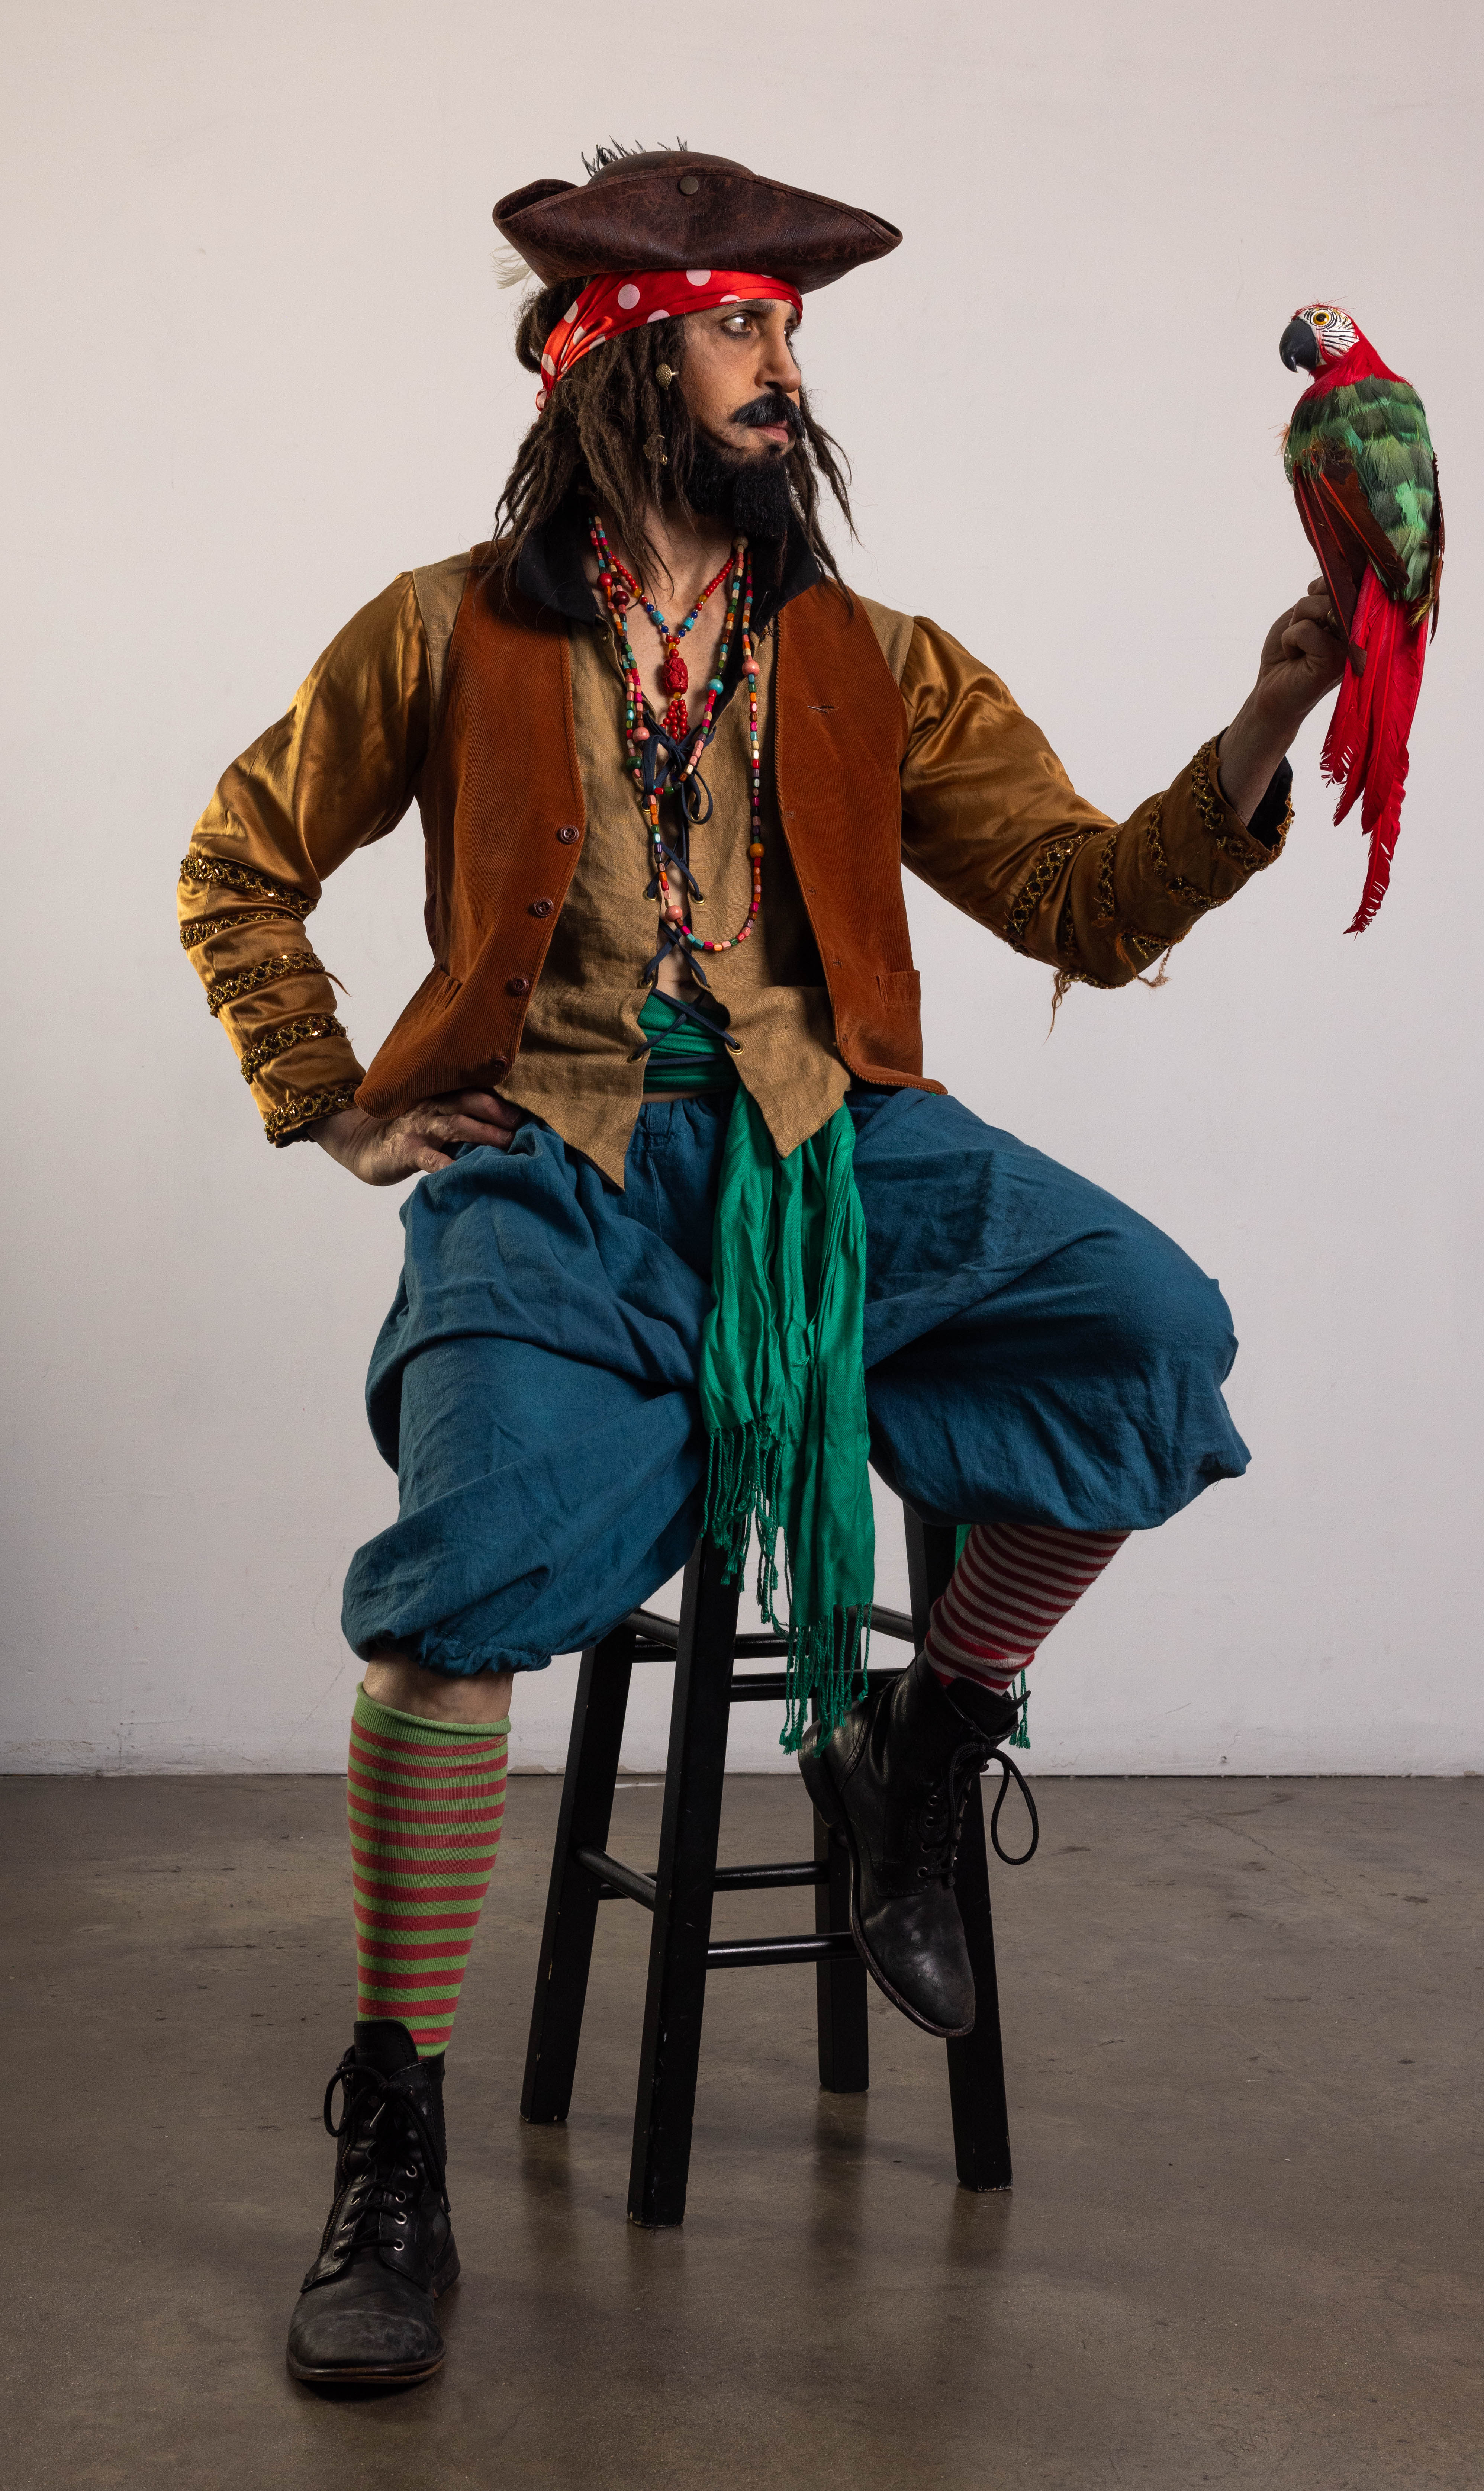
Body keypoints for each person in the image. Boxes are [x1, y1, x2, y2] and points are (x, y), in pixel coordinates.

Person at [180, 144, 1343, 2389]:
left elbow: (1086, 904)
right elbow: (239, 859)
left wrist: (1267, 717)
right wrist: (330, 1094)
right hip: (559, 1175)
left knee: (1147, 1335)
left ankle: (930, 1731)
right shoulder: (440, 628)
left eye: (789, 335)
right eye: (737, 330)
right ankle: (392, 2132)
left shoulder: (870, 658)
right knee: (450, 1594)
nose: (779, 371)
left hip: (837, 1159)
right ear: (613, 367)